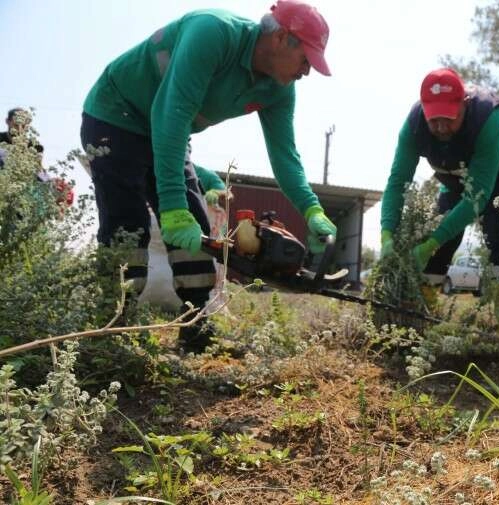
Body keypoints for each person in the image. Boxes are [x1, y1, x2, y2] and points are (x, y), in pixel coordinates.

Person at [80, 0, 337, 352]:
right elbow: (169, 112)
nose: (306, 71)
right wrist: (170, 208)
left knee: (197, 222)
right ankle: (112, 328)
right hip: (116, 114)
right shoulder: (212, 32)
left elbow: (284, 155)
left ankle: (196, 329)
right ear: (281, 38)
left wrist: (312, 210)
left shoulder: (278, 88)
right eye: (305, 60)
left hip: (169, 128)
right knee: (128, 223)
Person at [380, 68, 499, 305]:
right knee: (439, 231)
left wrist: (431, 243)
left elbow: (477, 196)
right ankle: (421, 311)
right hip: (454, 176)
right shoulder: (413, 126)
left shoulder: (489, 117)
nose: (441, 127)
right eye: (434, 120)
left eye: (448, 118)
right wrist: (386, 235)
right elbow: (397, 183)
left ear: (465, 104)